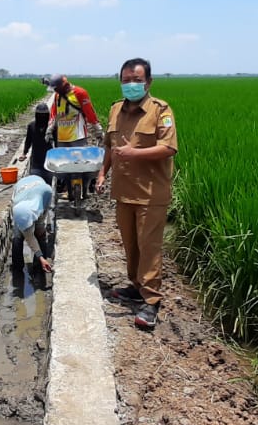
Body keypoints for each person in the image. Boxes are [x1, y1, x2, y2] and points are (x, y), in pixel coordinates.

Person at [96, 57, 177, 331]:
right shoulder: (116, 110)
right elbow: (110, 145)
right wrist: (102, 173)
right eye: (126, 80)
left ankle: (151, 300)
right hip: (124, 192)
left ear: (149, 82)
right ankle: (136, 286)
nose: (131, 84)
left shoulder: (160, 110)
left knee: (149, 247)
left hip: (151, 194)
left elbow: (168, 148)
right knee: (130, 245)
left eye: (137, 80)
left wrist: (134, 153)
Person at [46, 74, 100, 199]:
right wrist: (50, 128)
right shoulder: (57, 95)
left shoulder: (80, 93)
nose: (55, 91)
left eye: (56, 88)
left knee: (80, 166)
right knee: (65, 168)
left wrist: (97, 129)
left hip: (77, 136)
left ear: (63, 85)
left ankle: (84, 190)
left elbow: (89, 112)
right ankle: (69, 191)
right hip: (62, 137)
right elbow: (55, 114)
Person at [10, 173, 55, 273]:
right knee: (17, 237)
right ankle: (17, 270)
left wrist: (40, 224)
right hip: (22, 188)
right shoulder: (17, 207)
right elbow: (30, 238)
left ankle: (39, 268)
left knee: (40, 233)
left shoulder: (46, 192)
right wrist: (41, 257)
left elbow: (45, 209)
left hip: (37, 183)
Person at [21, 103, 53, 185]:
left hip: (49, 162)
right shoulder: (31, 126)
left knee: (49, 186)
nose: (42, 117)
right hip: (36, 162)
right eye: (40, 115)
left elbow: (58, 141)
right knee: (35, 184)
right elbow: (28, 141)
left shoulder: (51, 127)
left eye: (44, 115)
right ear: (36, 115)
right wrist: (24, 153)